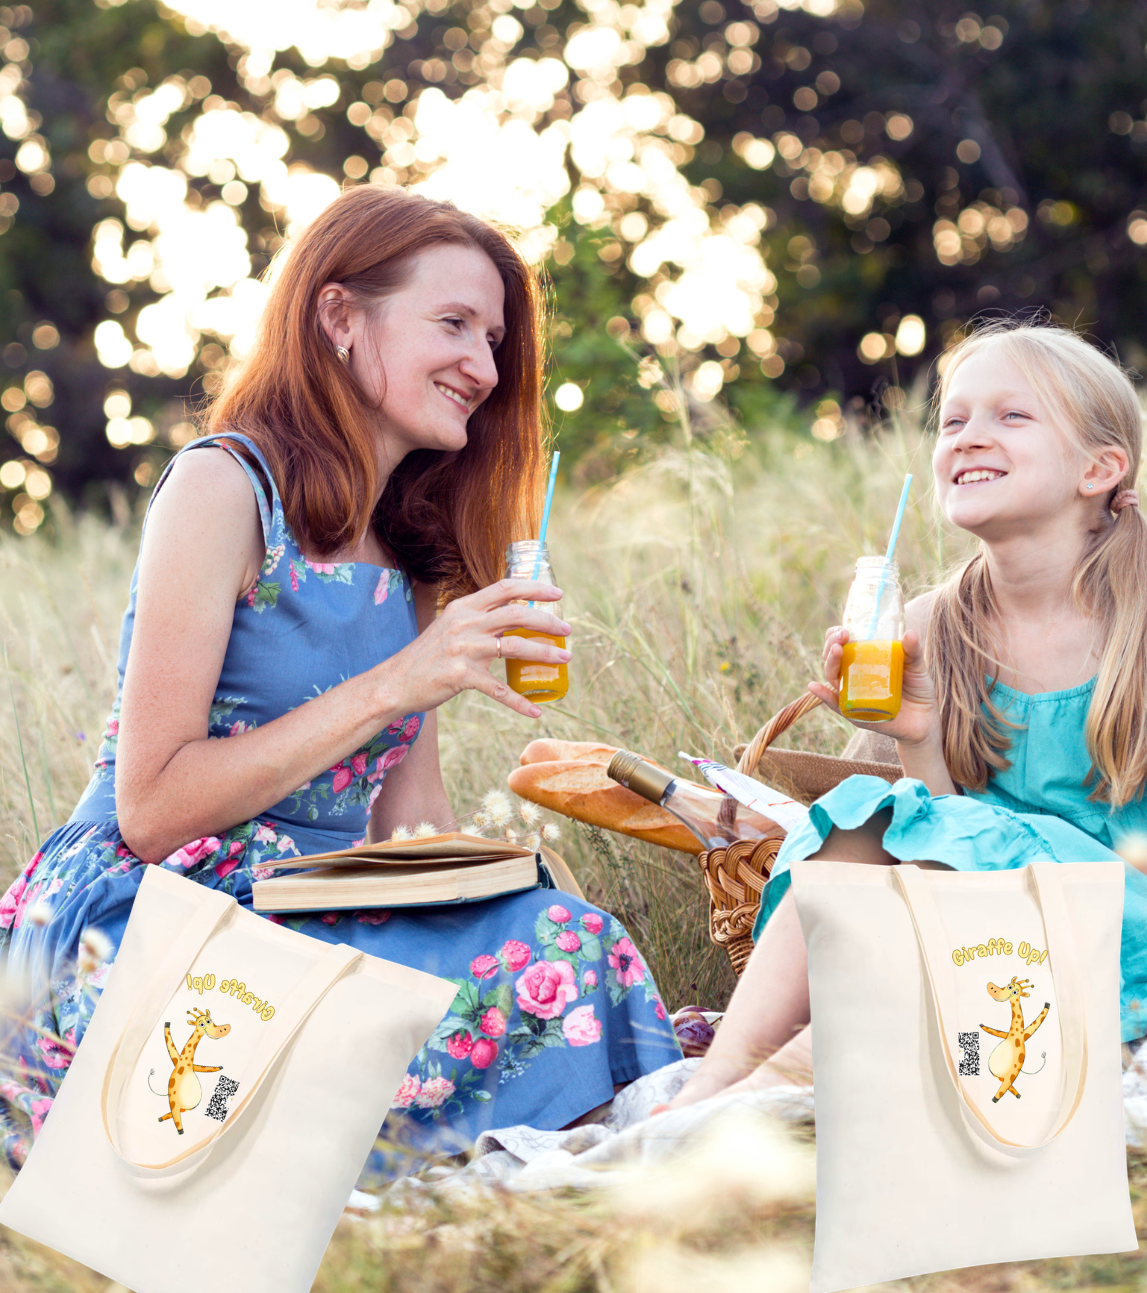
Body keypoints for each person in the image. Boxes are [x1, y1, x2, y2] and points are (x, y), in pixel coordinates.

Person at [0, 186, 679, 1181]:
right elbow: (150, 809)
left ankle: (476, 1157)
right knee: (298, 1026)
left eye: (493, 340)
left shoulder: (411, 558)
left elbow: (409, 834)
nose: (484, 369)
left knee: (568, 943)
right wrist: (395, 684)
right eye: (453, 324)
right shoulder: (223, 488)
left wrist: (501, 884)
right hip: (158, 910)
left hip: (315, 907)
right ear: (339, 317)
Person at [668, 320, 1147, 1109]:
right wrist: (916, 737)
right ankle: (713, 1088)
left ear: (1100, 468)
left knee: (931, 884)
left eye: (1011, 416)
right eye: (953, 420)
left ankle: (761, 1097)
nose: (967, 437)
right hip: (997, 914)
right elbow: (949, 831)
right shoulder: (930, 622)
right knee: (863, 815)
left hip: (1146, 920)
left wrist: (1025, 858)